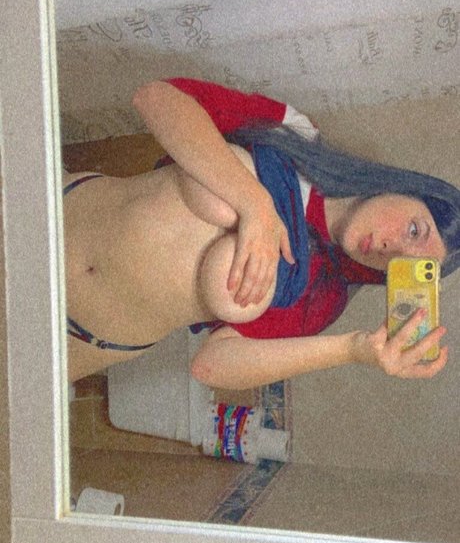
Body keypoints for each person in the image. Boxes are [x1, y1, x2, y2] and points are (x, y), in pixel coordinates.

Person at [63, 78, 459, 386]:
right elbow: (155, 98)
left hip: (82, 337)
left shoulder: (321, 298)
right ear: (409, 188)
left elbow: (211, 366)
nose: (391, 250)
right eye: (414, 229)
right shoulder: (296, 137)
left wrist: (351, 349)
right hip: (61, 209)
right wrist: (255, 205)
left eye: (406, 265)